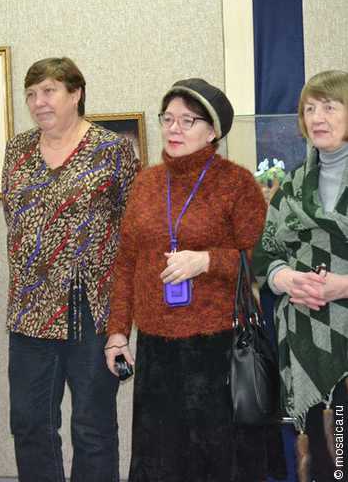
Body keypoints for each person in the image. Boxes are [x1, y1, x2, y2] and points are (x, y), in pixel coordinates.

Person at [105, 79, 270, 481]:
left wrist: (207, 261)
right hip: (156, 348)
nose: (173, 129)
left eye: (187, 120)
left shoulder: (236, 183)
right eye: (168, 119)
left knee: (218, 462)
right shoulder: (146, 183)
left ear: (212, 131)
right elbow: (125, 262)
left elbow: (262, 258)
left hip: (217, 347)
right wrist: (117, 333)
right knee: (160, 462)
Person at [1, 56, 139, 482]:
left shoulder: (112, 150)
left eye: (49, 91)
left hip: (91, 310)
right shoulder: (17, 150)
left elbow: (133, 232)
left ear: (75, 93)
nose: (38, 102)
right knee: (29, 424)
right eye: (31, 94)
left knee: (92, 427)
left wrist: (122, 322)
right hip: (30, 309)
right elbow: (15, 222)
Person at [254, 70, 348, 481]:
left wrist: (342, 286)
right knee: (325, 463)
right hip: (306, 342)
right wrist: (287, 280)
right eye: (309, 109)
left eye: (329, 106)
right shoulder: (291, 185)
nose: (317, 118)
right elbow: (264, 255)